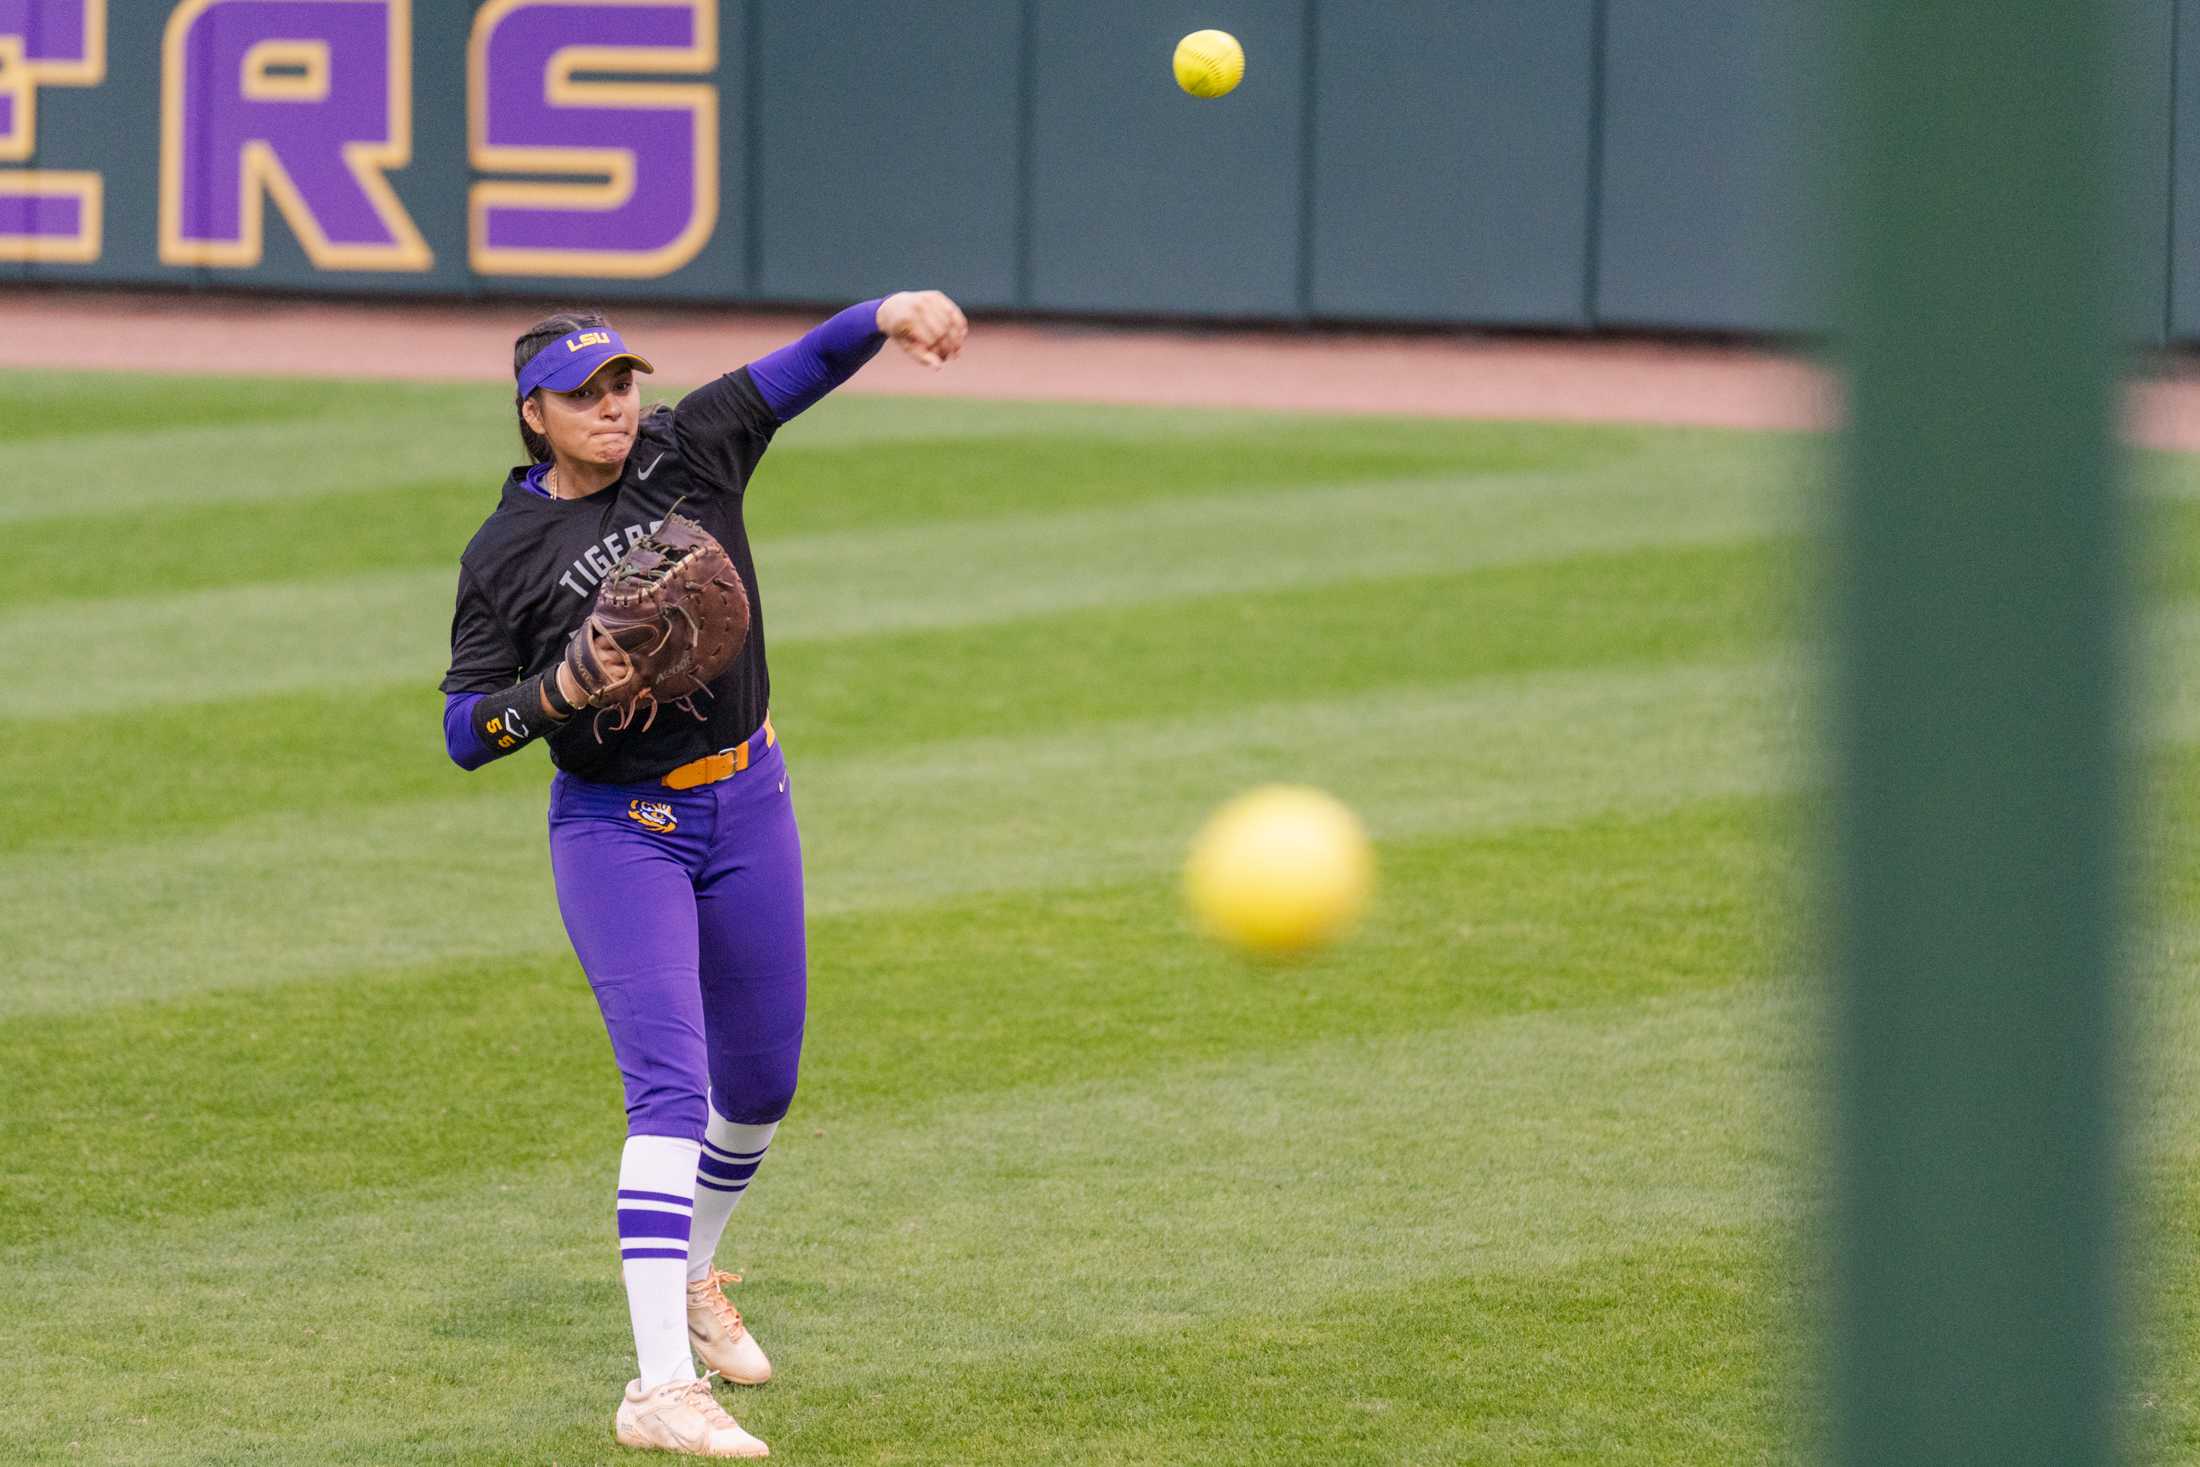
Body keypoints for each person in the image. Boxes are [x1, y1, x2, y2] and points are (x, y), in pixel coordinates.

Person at [439, 293, 969, 1458]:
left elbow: (802, 366)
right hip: (616, 828)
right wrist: (557, 695)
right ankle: (658, 1391)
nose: (613, 405)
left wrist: (892, 311)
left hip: (748, 797)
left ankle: (689, 1272)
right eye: (584, 394)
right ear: (535, 416)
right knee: (669, 1093)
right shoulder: (507, 553)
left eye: (620, 381)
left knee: (763, 1084)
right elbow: (467, 730)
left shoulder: (690, 447)